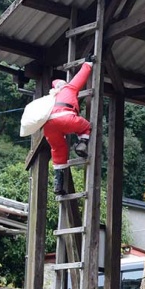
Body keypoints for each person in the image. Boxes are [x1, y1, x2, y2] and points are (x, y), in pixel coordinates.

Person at [43, 60, 92, 195]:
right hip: (66, 116)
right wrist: (88, 63)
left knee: (58, 150)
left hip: (48, 125)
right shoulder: (69, 88)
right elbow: (80, 77)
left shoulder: (52, 95)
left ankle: (58, 184)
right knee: (86, 126)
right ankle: (82, 143)